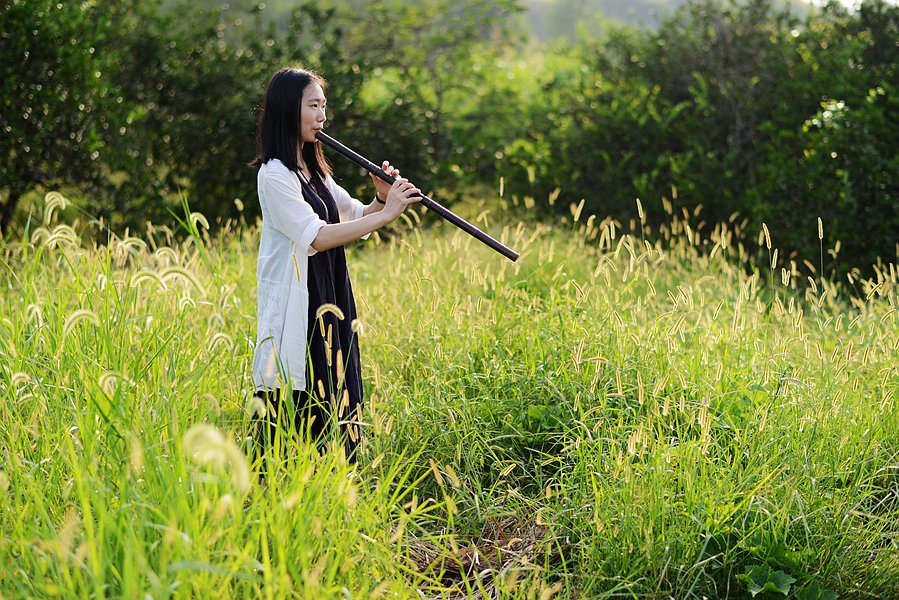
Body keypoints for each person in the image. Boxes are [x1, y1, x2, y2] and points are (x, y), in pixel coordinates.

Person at [248, 67, 420, 469]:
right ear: (289, 110)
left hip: (333, 295)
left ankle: (336, 481)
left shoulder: (317, 170)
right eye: (313, 106)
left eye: (324, 106)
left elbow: (352, 215)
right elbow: (318, 236)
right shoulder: (275, 175)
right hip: (301, 301)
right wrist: (388, 215)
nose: (322, 117)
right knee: (292, 395)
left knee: (336, 388)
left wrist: (379, 200)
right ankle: (273, 487)